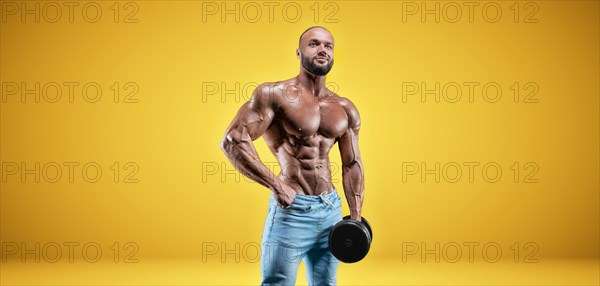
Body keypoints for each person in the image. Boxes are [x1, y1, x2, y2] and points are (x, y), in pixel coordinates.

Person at [220, 26, 365, 285]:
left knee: (325, 284)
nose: (322, 49)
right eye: (314, 44)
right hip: (292, 211)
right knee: (278, 282)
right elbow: (234, 140)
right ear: (299, 53)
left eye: (328, 46)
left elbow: (351, 163)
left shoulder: (344, 107)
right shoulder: (273, 95)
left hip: (331, 211)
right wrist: (276, 185)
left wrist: (355, 216)